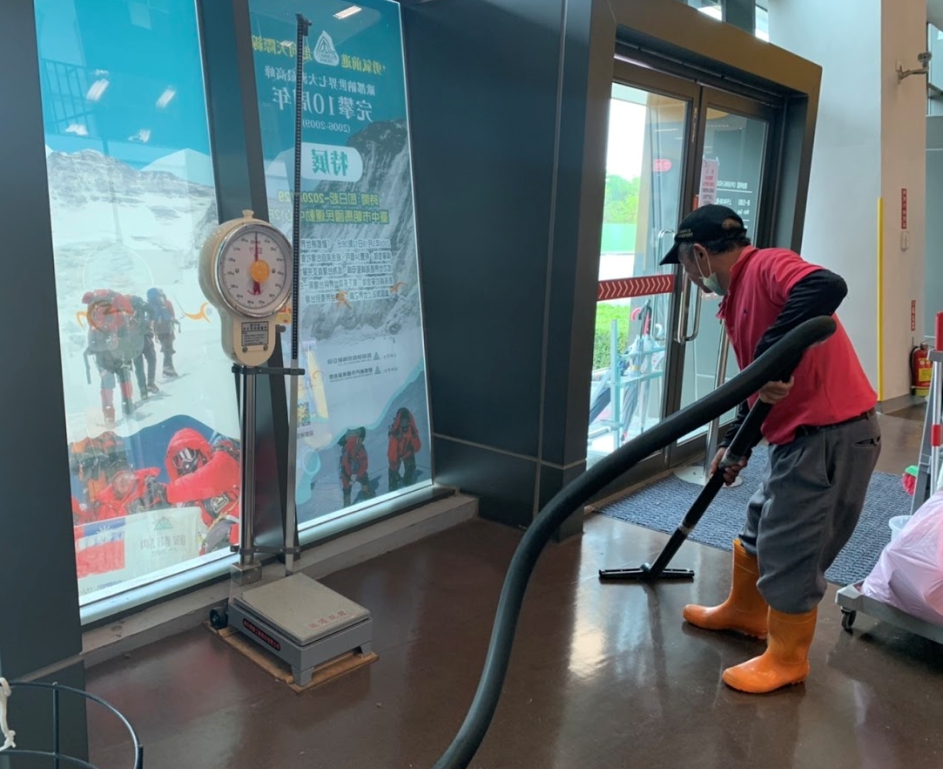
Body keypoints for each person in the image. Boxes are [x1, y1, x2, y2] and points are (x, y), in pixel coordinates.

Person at [660, 204, 881, 695]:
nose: (691, 278)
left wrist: (773, 353)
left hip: (832, 436)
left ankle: (787, 659)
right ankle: (745, 613)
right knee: (761, 526)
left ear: (700, 254)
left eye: (686, 265)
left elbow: (826, 285)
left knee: (794, 545)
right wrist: (736, 444)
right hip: (796, 437)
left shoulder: (765, 265)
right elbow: (758, 388)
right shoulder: (737, 296)